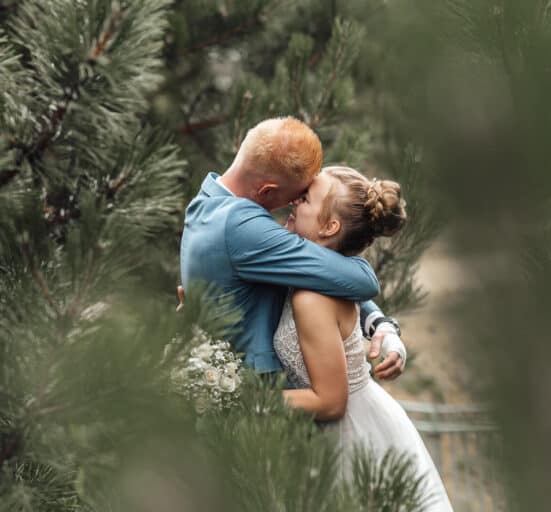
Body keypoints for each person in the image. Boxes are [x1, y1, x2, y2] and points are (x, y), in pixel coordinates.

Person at [273, 166, 453, 510]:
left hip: (352, 436)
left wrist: (251, 398)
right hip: (360, 422)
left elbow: (330, 402)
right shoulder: (322, 276)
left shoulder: (311, 297)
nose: (295, 199)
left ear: (330, 227)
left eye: (307, 198)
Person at [179, 117, 406, 379]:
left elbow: (313, 268)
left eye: (304, 197)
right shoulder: (240, 226)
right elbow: (362, 279)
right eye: (299, 194)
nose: (295, 203)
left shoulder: (207, 202)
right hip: (259, 401)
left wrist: (379, 323)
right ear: (266, 191)